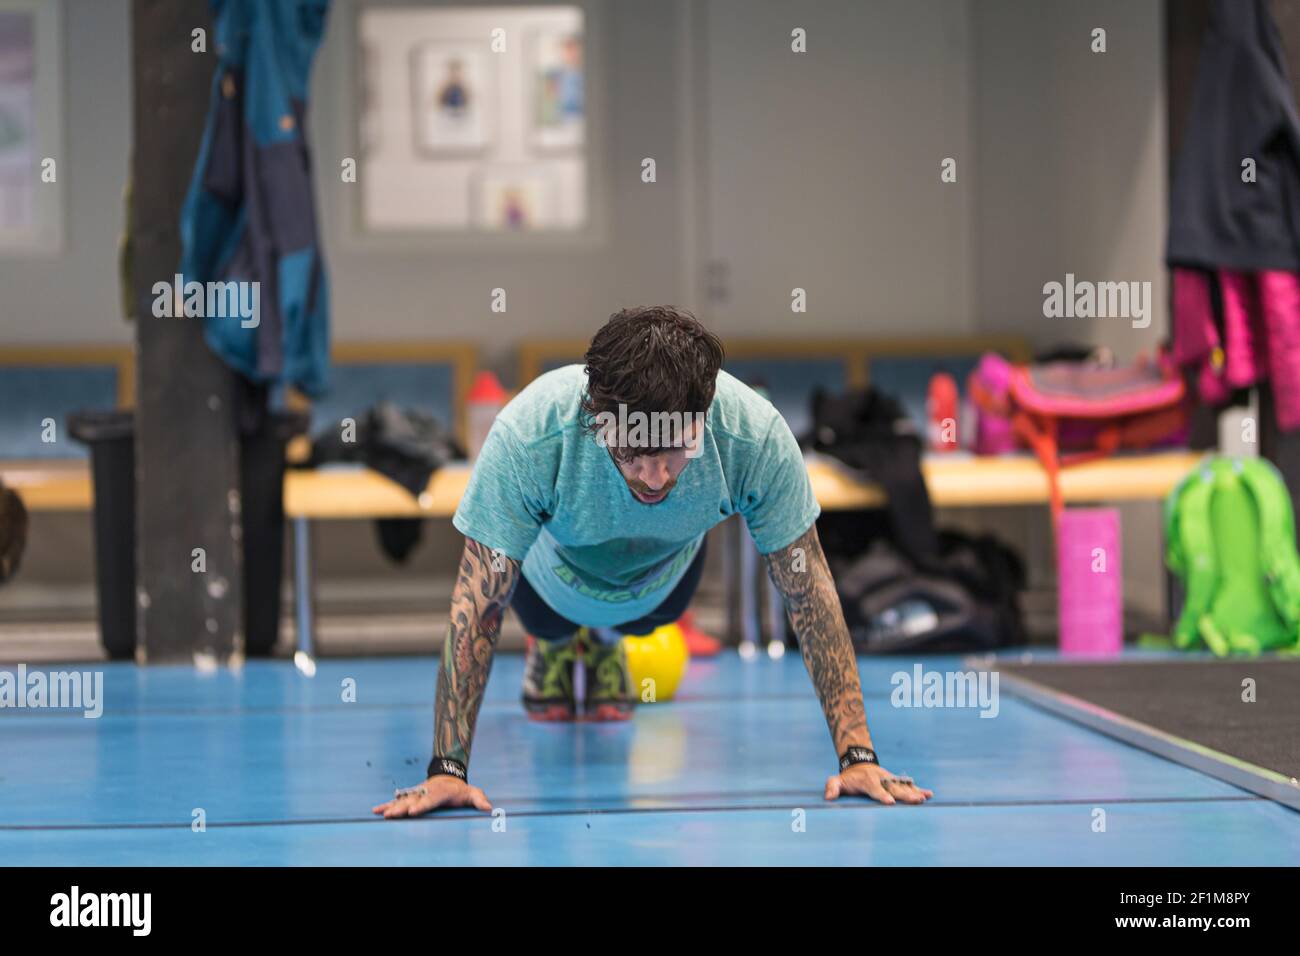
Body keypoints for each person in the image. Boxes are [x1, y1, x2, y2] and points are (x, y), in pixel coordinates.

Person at [373, 306, 932, 818]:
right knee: (553, 623)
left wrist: (857, 753)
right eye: (633, 456)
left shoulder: (753, 435)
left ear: (704, 416)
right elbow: (478, 602)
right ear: (596, 418)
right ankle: (557, 646)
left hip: (665, 575)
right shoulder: (532, 432)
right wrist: (447, 769)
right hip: (552, 578)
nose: (656, 478)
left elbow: (809, 592)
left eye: (675, 454)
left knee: (644, 622)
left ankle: (604, 641)